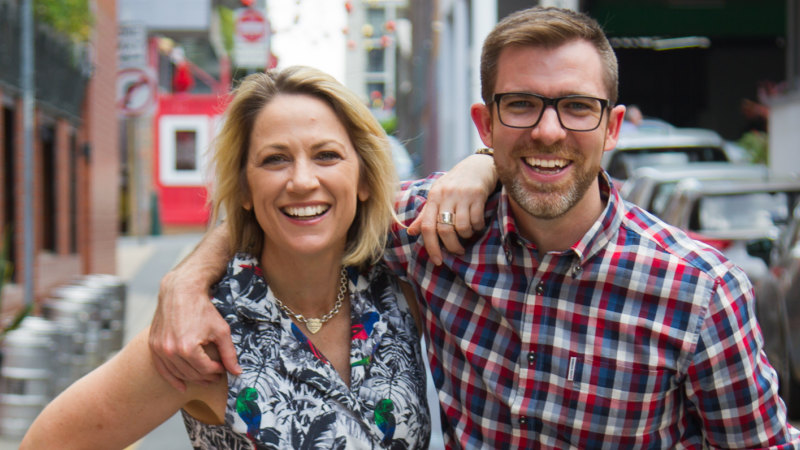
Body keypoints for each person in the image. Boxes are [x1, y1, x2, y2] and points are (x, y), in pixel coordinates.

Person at [149, 7, 800, 449]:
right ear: (485, 123)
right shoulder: (435, 231)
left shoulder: (701, 293)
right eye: (522, 105)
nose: (548, 130)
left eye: (577, 107)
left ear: (612, 127)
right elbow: (307, 204)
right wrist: (188, 278)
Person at [20, 66, 496, 449]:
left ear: (365, 179)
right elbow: (49, 442)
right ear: (245, 189)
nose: (302, 180)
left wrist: (485, 161)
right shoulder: (201, 332)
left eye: (327, 155)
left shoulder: (398, 292)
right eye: (275, 159)